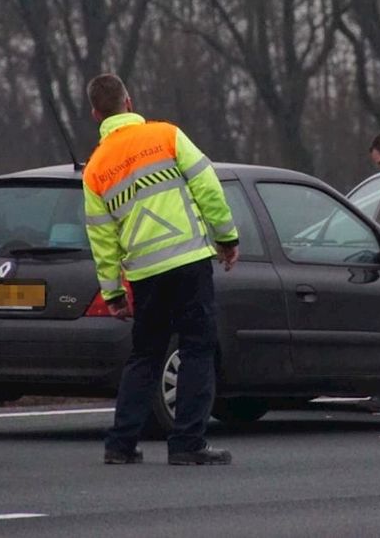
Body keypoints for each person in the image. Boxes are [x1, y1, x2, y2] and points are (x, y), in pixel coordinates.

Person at [82, 73, 239, 466]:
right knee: (197, 348)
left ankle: (120, 444)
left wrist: (112, 291)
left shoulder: (95, 169)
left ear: (95, 114)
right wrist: (227, 237)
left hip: (145, 273)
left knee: (146, 354)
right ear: (129, 102)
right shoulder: (167, 135)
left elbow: (102, 239)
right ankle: (187, 443)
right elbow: (208, 188)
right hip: (188, 262)